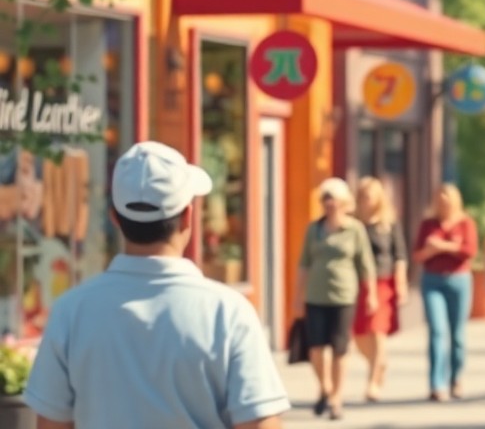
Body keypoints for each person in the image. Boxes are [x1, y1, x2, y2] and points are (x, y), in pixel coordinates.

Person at [23, 141, 289, 429]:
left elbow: (51, 424)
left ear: (115, 218)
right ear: (188, 216)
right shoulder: (229, 313)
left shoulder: (70, 312)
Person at [296, 177, 377, 420]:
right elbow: (304, 264)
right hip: (316, 295)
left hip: (344, 295)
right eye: (325, 198)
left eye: (333, 198)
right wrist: (297, 296)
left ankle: (336, 397)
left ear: (343, 202)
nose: (329, 203)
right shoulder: (314, 229)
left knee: (340, 349)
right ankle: (324, 387)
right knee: (317, 349)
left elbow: (366, 264)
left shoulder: (354, 229)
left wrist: (371, 293)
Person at [413, 184, 478, 401]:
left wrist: (442, 247)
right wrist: (440, 248)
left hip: (459, 280)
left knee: (457, 333)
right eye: (440, 200)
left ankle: (456, 378)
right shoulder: (428, 224)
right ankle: (436, 383)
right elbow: (418, 255)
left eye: (447, 200)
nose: (444, 204)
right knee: (437, 331)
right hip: (433, 280)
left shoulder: (465, 223)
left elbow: (469, 251)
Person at [353, 177, 408, 403]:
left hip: (384, 282)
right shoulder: (353, 223)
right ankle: (378, 363)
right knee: (359, 335)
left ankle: (372, 382)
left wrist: (401, 283)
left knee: (377, 331)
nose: (366, 200)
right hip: (359, 283)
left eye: (370, 195)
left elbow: (400, 255)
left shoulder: (389, 223)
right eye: (363, 195)